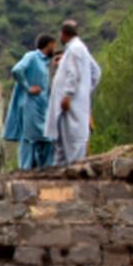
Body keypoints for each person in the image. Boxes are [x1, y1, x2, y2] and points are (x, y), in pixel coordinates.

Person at [43, 19, 101, 165]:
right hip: (72, 105)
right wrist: (84, 91)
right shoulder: (78, 48)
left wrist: (69, 96)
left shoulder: (75, 49)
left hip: (70, 106)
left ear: (64, 34)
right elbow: (95, 72)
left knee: (73, 143)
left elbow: (73, 74)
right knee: (62, 144)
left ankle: (73, 176)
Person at [4, 35, 57, 170]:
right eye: (53, 45)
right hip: (30, 107)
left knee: (47, 139)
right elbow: (17, 70)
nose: (54, 49)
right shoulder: (32, 56)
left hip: (41, 107)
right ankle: (26, 168)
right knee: (30, 139)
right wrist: (28, 87)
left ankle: (45, 169)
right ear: (49, 44)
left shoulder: (45, 63)